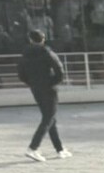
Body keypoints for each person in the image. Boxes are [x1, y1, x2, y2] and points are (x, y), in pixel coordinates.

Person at [18, 30, 69, 161]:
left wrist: (32, 83)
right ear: (43, 39)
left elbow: (21, 75)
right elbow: (59, 71)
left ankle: (59, 149)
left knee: (50, 117)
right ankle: (33, 148)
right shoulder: (47, 52)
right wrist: (52, 82)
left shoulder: (25, 55)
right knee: (48, 118)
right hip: (49, 88)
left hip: (36, 89)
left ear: (30, 39)